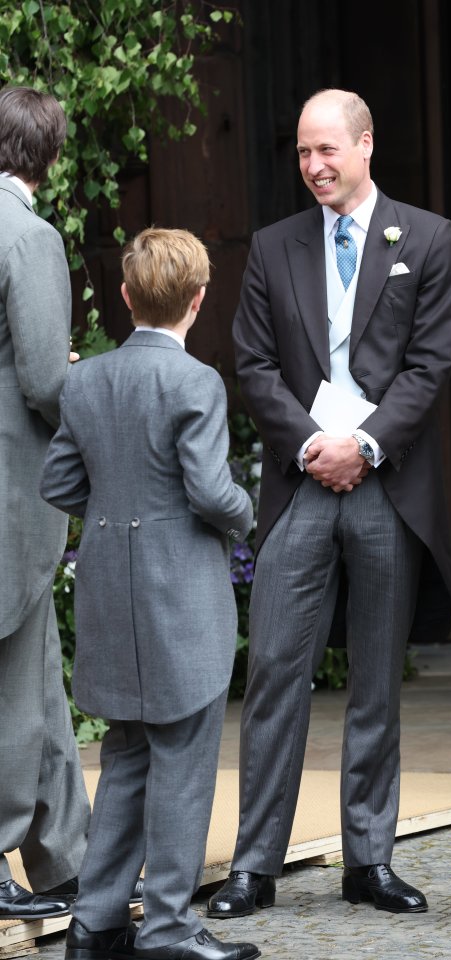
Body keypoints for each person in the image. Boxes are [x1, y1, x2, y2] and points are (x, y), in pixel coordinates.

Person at [207, 88, 451, 919]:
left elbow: (429, 365)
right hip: (300, 481)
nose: (314, 167)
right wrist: (315, 445)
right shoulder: (274, 246)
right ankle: (254, 865)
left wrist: (368, 445)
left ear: (366, 145)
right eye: (304, 154)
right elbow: (252, 364)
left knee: (377, 680)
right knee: (277, 670)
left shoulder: (426, 237)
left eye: (328, 151)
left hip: (387, 484)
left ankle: (369, 861)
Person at [40, 228, 259, 960]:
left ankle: (96, 921)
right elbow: (208, 490)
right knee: (185, 762)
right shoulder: (196, 382)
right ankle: (167, 926)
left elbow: (59, 483)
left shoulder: (85, 380)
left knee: (127, 757)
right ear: (198, 301)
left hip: (110, 589)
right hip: (181, 596)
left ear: (126, 296)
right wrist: (245, 512)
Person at [0, 83, 93, 921]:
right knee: (11, 681)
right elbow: (39, 381)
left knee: (36, 678)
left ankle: (66, 861)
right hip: (8, 488)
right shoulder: (27, 236)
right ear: (47, 155)